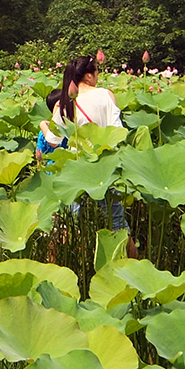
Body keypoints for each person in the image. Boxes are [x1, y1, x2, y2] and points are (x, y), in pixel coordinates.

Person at [53, 55, 135, 255]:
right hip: (104, 166)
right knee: (117, 223)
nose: (98, 76)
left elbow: (53, 141)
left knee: (67, 223)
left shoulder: (64, 102)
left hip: (76, 168)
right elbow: (117, 130)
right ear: (89, 75)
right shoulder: (105, 95)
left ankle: (61, 264)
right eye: (97, 72)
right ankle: (133, 267)